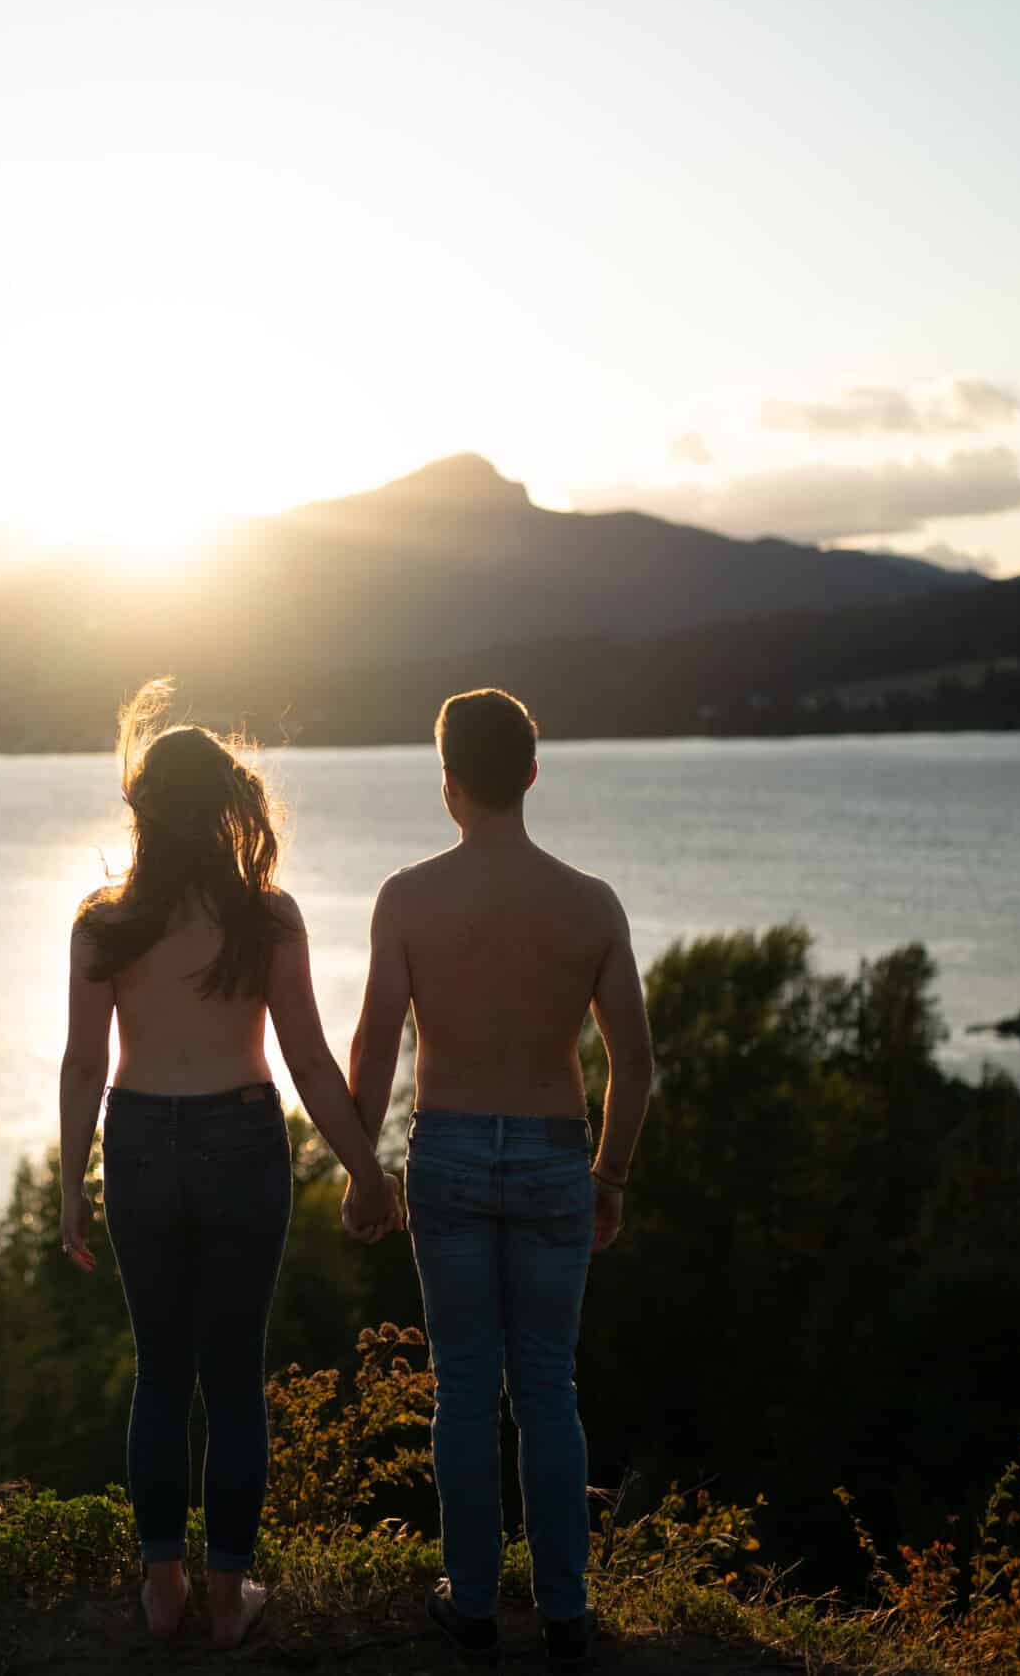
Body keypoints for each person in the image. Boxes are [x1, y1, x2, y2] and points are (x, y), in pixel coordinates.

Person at [57, 678, 400, 1649]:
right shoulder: (266, 917)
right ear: (226, 809)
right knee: (233, 1377)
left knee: (160, 1374)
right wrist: (364, 1172)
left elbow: (85, 1062)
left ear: (142, 808)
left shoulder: (102, 923)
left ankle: (160, 1590)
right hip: (240, 1140)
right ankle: (225, 1599)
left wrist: (67, 1185)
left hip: (136, 1142)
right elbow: (306, 1060)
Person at [345, 688, 653, 1674]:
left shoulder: (407, 896)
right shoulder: (589, 902)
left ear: (447, 781)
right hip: (557, 1154)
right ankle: (565, 1609)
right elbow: (635, 1064)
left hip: (446, 1156)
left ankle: (471, 1604)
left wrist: (360, 1169)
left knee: (467, 1389)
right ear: (530, 771)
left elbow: (374, 1045)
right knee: (549, 1388)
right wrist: (609, 1175)